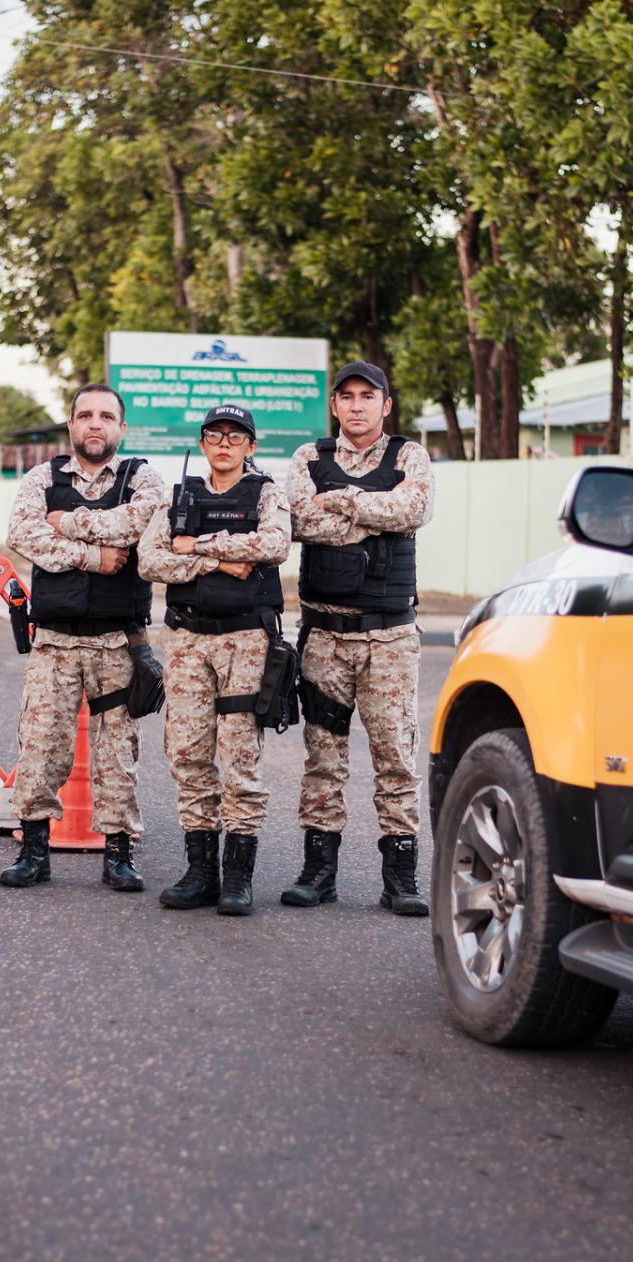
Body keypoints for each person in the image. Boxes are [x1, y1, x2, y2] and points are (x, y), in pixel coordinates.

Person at [0, 383, 165, 893]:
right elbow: (23, 534)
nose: (95, 424)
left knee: (118, 752)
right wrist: (94, 555)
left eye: (106, 416)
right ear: (71, 425)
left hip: (118, 641)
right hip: (54, 641)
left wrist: (66, 523)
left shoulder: (143, 478)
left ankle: (118, 855)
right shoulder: (40, 478)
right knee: (41, 747)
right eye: (85, 415)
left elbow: (141, 522)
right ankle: (33, 851)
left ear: (121, 427)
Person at [284, 361, 436, 916]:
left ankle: (400, 878)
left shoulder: (409, 456)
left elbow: (414, 508)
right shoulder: (309, 458)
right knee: (323, 757)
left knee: (395, 756)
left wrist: (342, 501)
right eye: (345, 396)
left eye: (366, 396)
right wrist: (376, 511)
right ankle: (317, 872)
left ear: (385, 405)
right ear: (334, 405)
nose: (355, 405)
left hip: (390, 637)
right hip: (325, 633)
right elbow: (301, 521)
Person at [138, 404, 291, 916]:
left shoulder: (266, 492)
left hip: (246, 640)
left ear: (251, 445)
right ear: (203, 444)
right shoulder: (179, 496)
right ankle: (200, 871)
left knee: (240, 755)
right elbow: (149, 560)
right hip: (186, 641)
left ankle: (238, 878)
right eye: (214, 435)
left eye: (235, 436)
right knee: (187, 753)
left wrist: (195, 544)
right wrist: (221, 559)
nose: (224, 443)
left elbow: (273, 545)